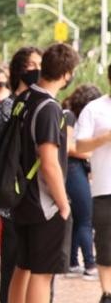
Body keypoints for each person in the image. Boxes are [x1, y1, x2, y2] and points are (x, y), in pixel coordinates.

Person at [1, 43, 78, 303]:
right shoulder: (48, 108)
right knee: (42, 274)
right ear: (67, 74)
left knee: (22, 267)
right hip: (42, 202)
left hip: (20, 198)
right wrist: (63, 203)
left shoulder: (24, 99)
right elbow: (49, 161)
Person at [74, 64, 111, 303]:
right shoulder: (95, 108)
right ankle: (107, 293)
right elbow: (79, 145)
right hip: (104, 185)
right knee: (106, 242)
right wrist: (104, 138)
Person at [63, 85, 101, 278]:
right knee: (86, 217)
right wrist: (88, 152)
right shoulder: (69, 116)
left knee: (79, 218)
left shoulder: (76, 117)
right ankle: (90, 264)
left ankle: (71, 262)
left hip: (76, 167)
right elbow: (68, 146)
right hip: (73, 167)